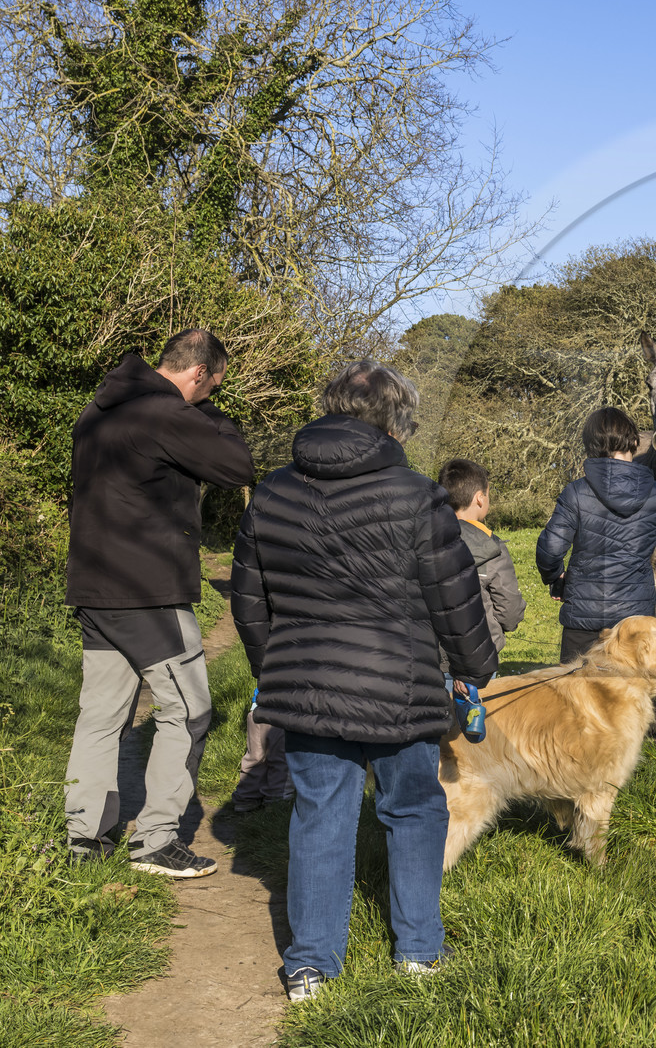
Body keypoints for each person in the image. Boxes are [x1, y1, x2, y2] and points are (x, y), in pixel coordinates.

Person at [230, 361, 497, 1003]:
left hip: (309, 688)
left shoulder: (272, 491)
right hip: (399, 686)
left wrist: (278, 668)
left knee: (321, 814)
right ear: (394, 420)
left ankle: (311, 965)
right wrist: (472, 669)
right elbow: (454, 594)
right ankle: (419, 951)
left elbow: (248, 596)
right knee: (414, 807)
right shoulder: (416, 494)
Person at [63, 328, 254, 877]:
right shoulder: (166, 415)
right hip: (148, 591)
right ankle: (156, 840)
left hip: (95, 586)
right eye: (214, 384)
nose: (213, 394)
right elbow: (237, 466)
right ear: (199, 374)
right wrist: (210, 412)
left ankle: (86, 838)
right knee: (190, 709)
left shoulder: (99, 412)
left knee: (100, 716)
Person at [536, 407, 656, 664]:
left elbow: (550, 548)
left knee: (575, 697)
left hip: (583, 622)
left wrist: (556, 578)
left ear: (590, 446)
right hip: (633, 625)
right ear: (635, 442)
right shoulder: (652, 493)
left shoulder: (575, 493)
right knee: (627, 698)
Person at [438, 458, 526, 664]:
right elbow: (510, 609)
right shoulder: (492, 548)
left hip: (432, 654)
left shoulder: (427, 538)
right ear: (479, 498)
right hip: (479, 656)